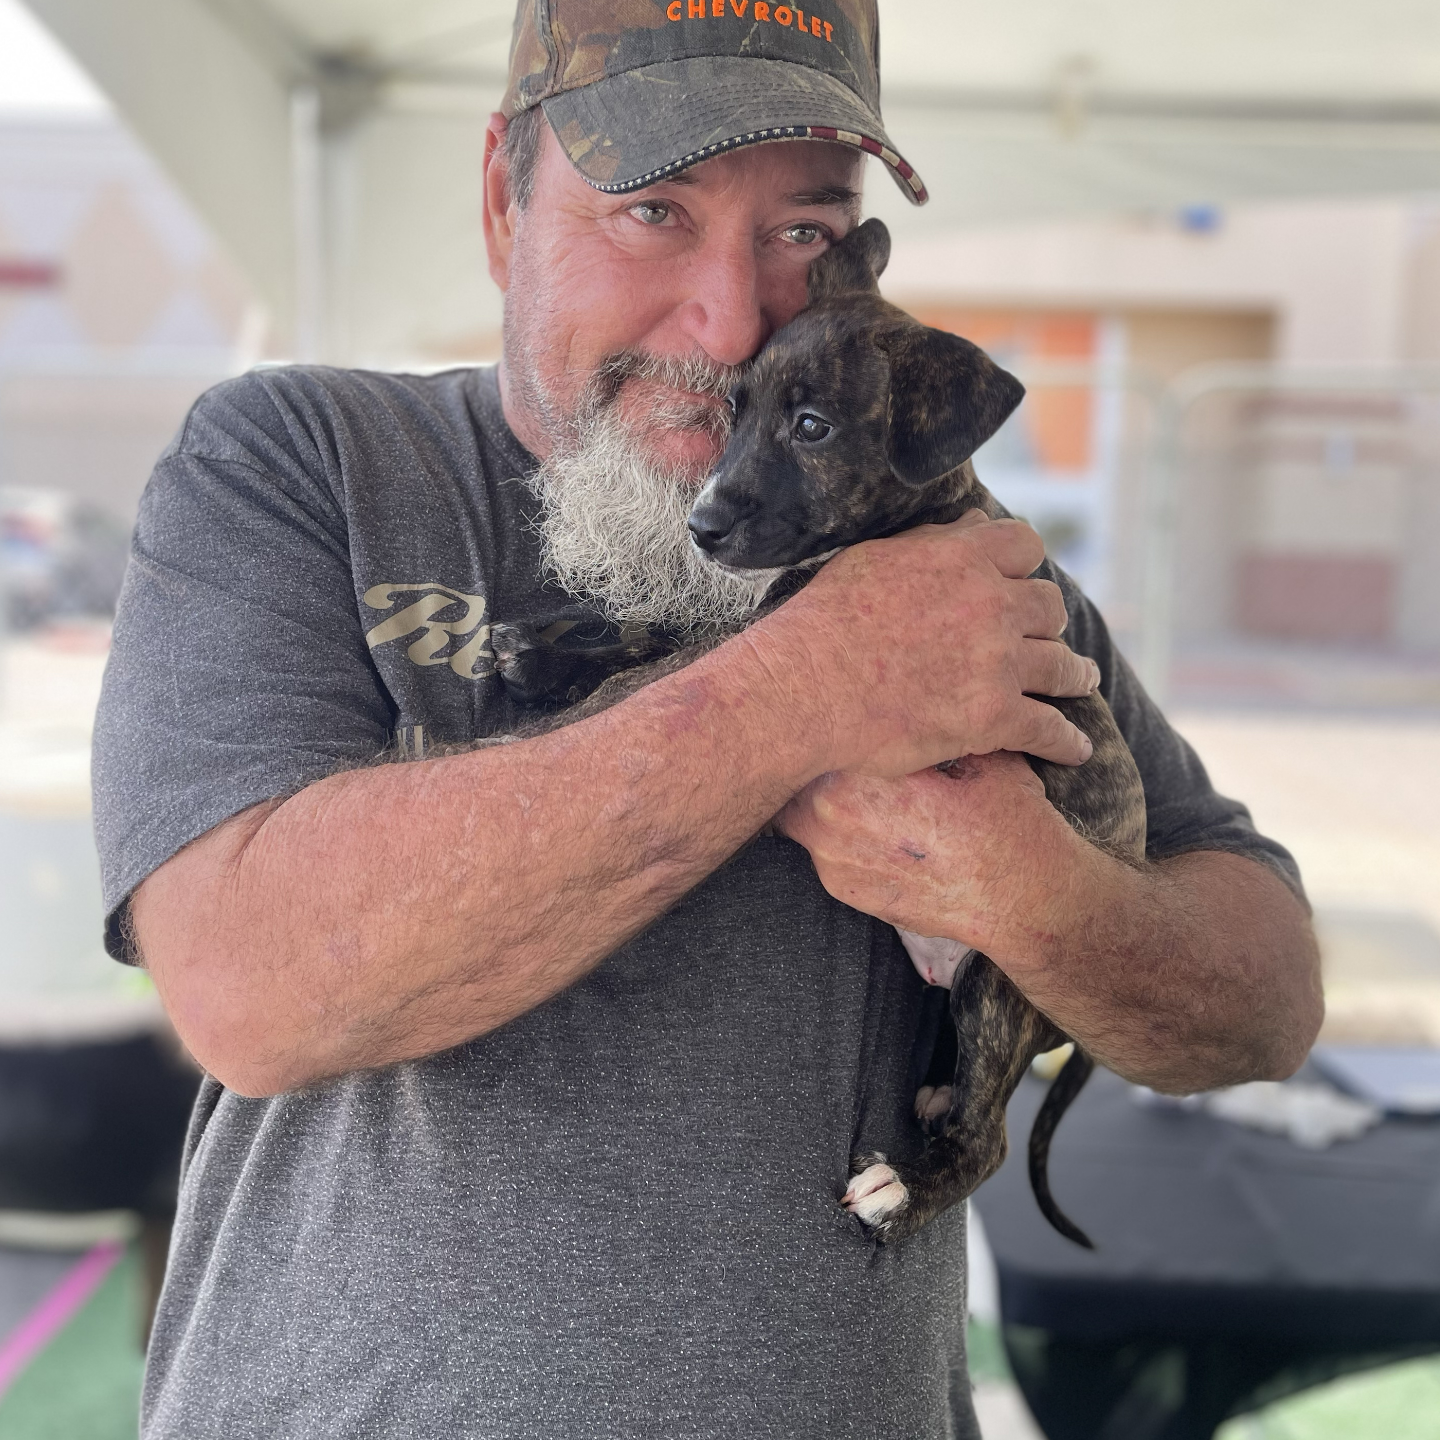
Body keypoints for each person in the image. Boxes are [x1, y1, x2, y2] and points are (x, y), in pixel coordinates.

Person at [92, 2, 1323, 1435]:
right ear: (505, 201)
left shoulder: (948, 558)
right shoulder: (308, 464)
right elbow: (250, 985)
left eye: (804, 228)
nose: (733, 322)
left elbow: (1264, 992)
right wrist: (799, 692)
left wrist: (1031, 890)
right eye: (654, 211)